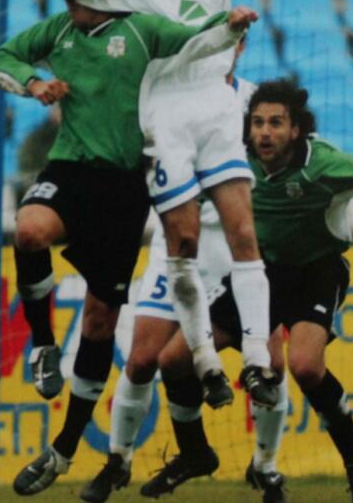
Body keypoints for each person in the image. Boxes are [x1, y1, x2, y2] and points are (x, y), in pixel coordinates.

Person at [0, 0, 316, 410]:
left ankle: (254, 356)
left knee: (243, 231)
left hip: (211, 111)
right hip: (163, 118)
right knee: (180, 242)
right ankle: (203, 357)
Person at [0, 0, 258, 495]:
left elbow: (192, 37)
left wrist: (228, 25)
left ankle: (65, 450)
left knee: (99, 323)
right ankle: (43, 344)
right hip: (70, 168)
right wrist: (33, 83)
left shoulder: (141, 28)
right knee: (29, 230)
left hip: (125, 190)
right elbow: (3, 58)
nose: (69, 3)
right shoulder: (56, 31)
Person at [141, 79, 353, 503]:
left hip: (317, 271)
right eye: (257, 123)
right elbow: (188, 188)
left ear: (295, 129)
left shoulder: (320, 164)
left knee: (306, 366)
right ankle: (195, 453)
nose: (264, 132)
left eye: (275, 123)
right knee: (173, 359)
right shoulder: (236, 163)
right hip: (261, 274)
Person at [82, 39, 278, 503]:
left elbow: (285, 157)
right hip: (174, 243)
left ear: (239, 46)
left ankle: (266, 467)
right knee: (141, 360)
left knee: (270, 360)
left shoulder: (254, 104)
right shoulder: (165, 96)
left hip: (231, 249)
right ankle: (119, 461)